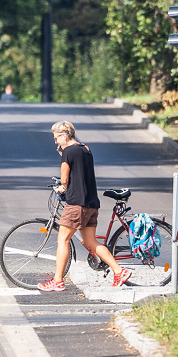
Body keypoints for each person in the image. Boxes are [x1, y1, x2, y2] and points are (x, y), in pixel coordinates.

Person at [38, 121, 130, 291]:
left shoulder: (68, 151)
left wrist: (62, 187)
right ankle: (119, 270)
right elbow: (79, 171)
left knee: (63, 239)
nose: (55, 142)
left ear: (64, 136)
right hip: (91, 204)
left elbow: (65, 180)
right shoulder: (84, 148)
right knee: (90, 241)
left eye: (56, 138)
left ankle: (57, 281)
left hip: (77, 204)